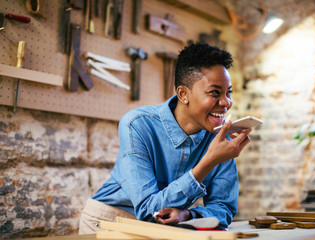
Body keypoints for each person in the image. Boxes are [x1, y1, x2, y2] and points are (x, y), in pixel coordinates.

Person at [79, 43, 252, 234]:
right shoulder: (137, 124)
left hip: (168, 228)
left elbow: (224, 208)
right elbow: (148, 210)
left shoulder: (219, 138)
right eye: (214, 93)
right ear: (183, 94)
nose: (226, 102)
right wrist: (208, 162)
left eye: (228, 93)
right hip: (108, 221)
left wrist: (188, 215)